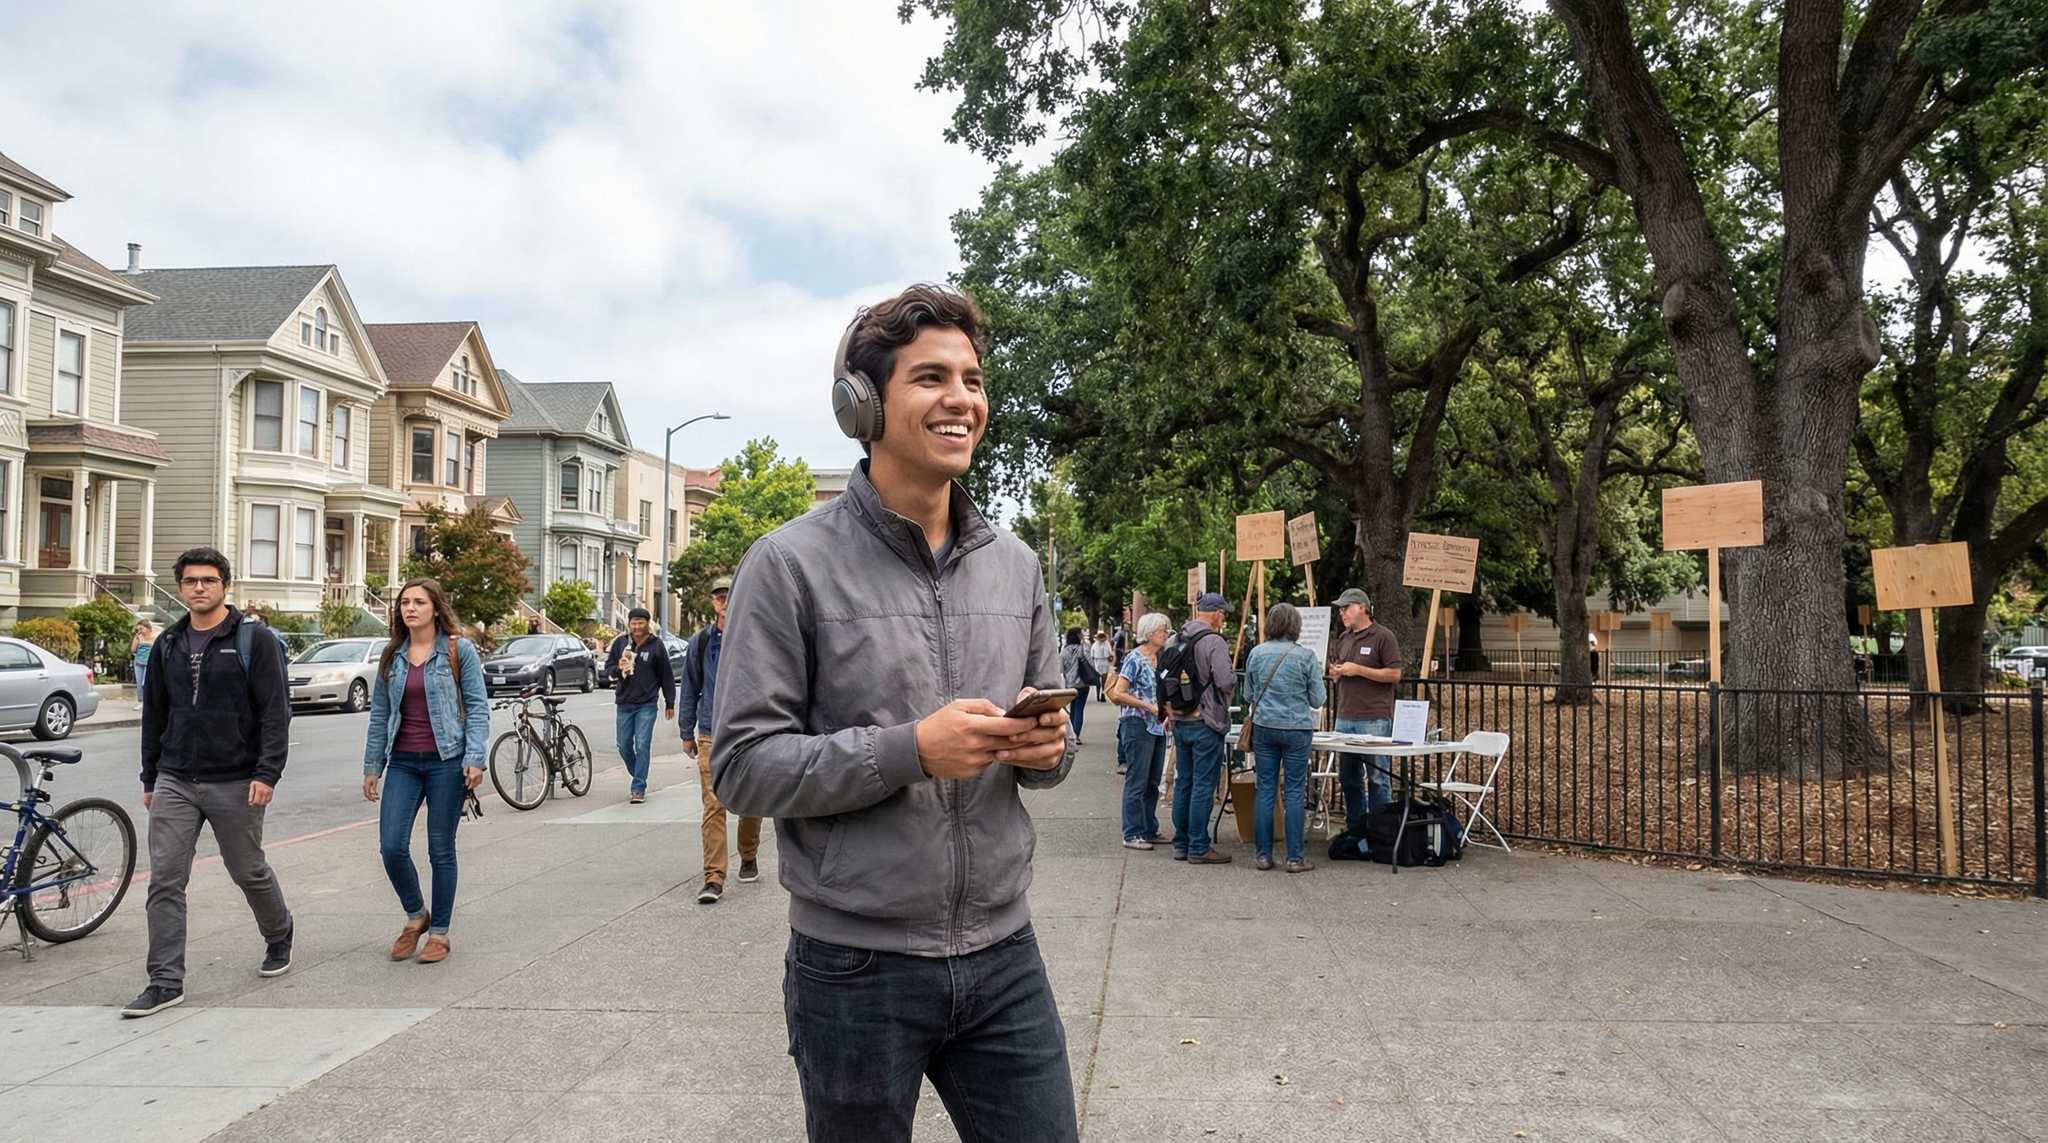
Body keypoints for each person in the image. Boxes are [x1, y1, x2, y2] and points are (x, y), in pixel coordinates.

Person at [713, 284, 1078, 1142]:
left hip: (1003, 951)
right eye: (931, 378)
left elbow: (1054, 757)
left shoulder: (1017, 566)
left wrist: (1042, 747)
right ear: (862, 405)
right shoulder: (788, 564)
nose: (963, 399)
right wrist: (911, 749)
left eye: (974, 379)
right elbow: (741, 765)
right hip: (854, 967)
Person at [124, 547, 294, 1018]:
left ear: (225, 586)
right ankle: (164, 981)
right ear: (180, 588)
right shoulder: (168, 644)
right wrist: (150, 774)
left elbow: (275, 712)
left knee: (247, 869)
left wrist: (266, 772)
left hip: (235, 779)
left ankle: (279, 932)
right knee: (165, 881)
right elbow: (155, 713)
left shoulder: (253, 640)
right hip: (176, 777)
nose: (199, 588)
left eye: (209, 580)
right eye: (190, 581)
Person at [362, 578, 489, 964]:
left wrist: (475, 757)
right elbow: (381, 714)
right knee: (392, 846)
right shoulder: (392, 655)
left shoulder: (458, 650)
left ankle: (440, 933)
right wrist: (373, 766)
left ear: (436, 607)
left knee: (440, 849)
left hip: (446, 762)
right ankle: (416, 915)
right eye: (404, 603)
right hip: (402, 761)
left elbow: (478, 707)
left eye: (418, 602)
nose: (410, 608)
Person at [678, 579, 756, 903]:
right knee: (713, 805)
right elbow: (690, 685)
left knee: (752, 798)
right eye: (719, 597)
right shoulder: (701, 642)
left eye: (729, 596)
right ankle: (714, 877)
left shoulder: (752, 638)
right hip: (711, 731)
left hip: (748, 730)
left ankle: (748, 853)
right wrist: (687, 731)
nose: (724, 601)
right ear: (713, 604)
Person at [1243, 603, 1326, 873]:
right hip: (1296, 728)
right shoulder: (1305, 656)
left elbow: (1248, 695)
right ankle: (1295, 858)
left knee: (1265, 789)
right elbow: (1318, 699)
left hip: (1265, 726)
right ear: (1295, 626)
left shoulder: (1256, 653)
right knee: (1293, 791)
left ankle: (1263, 855)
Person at [1165, 592, 1238, 864]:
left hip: (1180, 719)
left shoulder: (1176, 638)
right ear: (1216, 613)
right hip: (1206, 720)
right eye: (1223, 613)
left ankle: (1181, 844)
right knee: (1203, 785)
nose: (1224, 618)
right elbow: (1226, 680)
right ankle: (1198, 846)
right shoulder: (1213, 642)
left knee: (1184, 781)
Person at [1329, 587, 1402, 829]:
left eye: (1346, 608)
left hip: (1374, 717)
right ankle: (1356, 828)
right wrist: (1337, 673)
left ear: (1362, 607)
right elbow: (1342, 667)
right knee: (1348, 778)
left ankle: (1381, 830)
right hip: (1345, 716)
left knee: (1378, 777)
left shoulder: (1383, 636)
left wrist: (1359, 670)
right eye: (1340, 609)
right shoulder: (1344, 638)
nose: (1342, 613)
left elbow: (1394, 674)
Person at [1110, 611, 1172, 848]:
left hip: (1157, 725)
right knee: (1137, 778)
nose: (1165, 634)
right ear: (1148, 633)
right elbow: (1118, 692)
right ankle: (1132, 832)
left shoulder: (1161, 659)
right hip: (1136, 722)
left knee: (1153, 780)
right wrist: (1148, 706)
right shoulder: (1135, 658)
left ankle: (1148, 828)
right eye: (1161, 630)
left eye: (1166, 630)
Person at [607, 606, 677, 806]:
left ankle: (638, 787)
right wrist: (618, 669)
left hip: (647, 703)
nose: (637, 626)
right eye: (634, 623)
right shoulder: (621, 643)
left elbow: (666, 675)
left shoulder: (656, 645)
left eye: (641, 622)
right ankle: (639, 772)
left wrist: (670, 701)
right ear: (629, 624)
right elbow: (608, 670)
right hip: (624, 702)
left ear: (648, 623)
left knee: (642, 744)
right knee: (623, 745)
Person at [1059, 628, 1092, 744]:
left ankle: (1070, 735)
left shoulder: (1065, 650)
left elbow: (1060, 668)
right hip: (1083, 683)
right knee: (1079, 709)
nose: (1083, 636)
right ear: (1077, 635)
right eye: (1081, 634)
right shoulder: (1084, 648)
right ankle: (1076, 735)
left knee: (1072, 709)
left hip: (1070, 684)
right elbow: (1090, 663)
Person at [130, 620, 155, 710]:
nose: (140, 631)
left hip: (150, 662)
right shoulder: (138, 637)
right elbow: (132, 649)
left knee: (146, 682)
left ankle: (149, 701)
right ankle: (141, 701)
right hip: (139, 662)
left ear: (147, 628)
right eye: (138, 629)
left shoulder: (155, 636)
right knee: (139, 683)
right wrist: (136, 638)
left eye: (141, 628)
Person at [1089, 630, 1114, 702]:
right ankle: (1097, 694)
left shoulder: (1107, 644)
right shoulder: (1095, 644)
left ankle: (1103, 694)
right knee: (1098, 681)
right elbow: (1092, 655)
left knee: (1104, 680)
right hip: (1097, 662)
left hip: (1105, 662)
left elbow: (1110, 653)